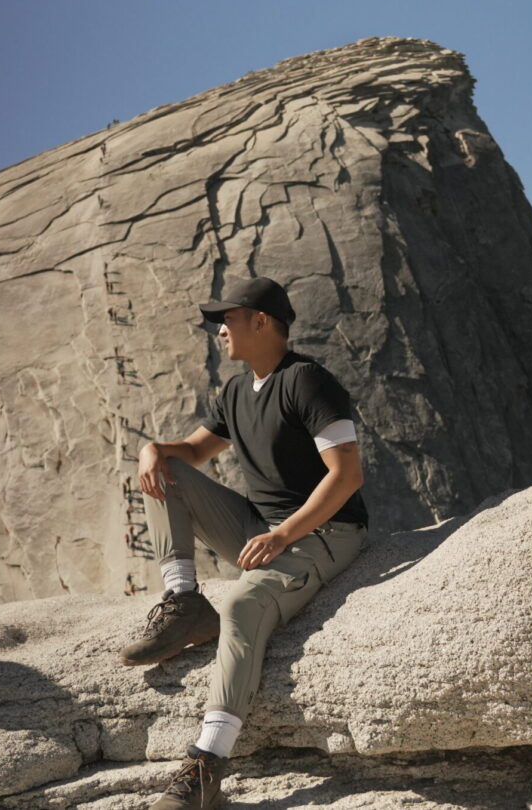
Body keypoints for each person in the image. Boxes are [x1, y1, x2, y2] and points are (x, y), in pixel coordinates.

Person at [119, 277, 368, 810]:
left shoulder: (309, 381)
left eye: (225, 319)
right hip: (265, 531)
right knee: (167, 469)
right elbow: (191, 450)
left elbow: (346, 476)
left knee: (242, 601)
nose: (218, 331)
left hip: (325, 532)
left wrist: (283, 534)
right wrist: (151, 449)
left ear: (261, 322)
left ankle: (207, 765)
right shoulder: (235, 391)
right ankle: (184, 602)